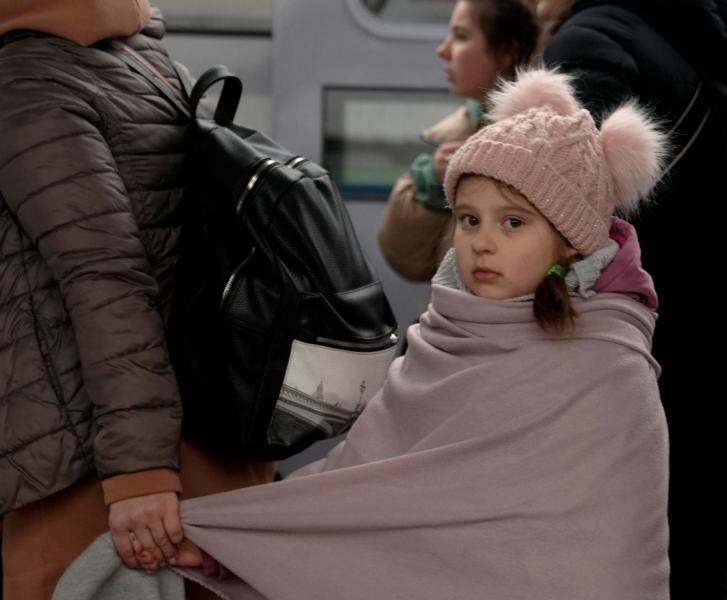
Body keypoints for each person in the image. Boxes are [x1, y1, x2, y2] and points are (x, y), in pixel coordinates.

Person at [56, 67, 672, 600]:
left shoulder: (606, 369)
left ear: (571, 241)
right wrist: (234, 547)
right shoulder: (440, 340)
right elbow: (363, 496)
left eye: (514, 222)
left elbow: (601, 556)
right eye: (468, 218)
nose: (482, 240)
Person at [0, 3, 274, 599]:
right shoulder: (138, 56)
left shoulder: (26, 80)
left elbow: (106, 278)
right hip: (193, 439)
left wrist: (137, 476)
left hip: (87, 473)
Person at [536, 1, 727, 597]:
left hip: (639, 407)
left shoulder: (593, 42)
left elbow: (570, 224)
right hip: (724, 397)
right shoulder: (690, 47)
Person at [378, 0, 537, 282]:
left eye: (461, 36)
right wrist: (433, 185)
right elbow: (405, 258)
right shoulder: (462, 128)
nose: (443, 50)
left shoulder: (536, 141)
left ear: (507, 53)